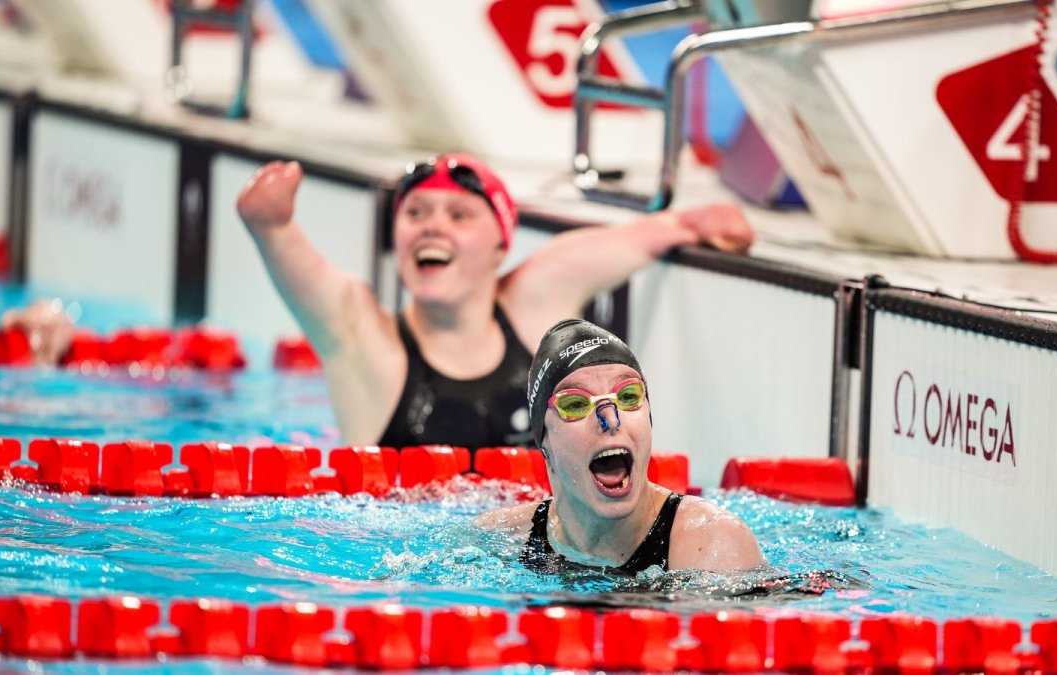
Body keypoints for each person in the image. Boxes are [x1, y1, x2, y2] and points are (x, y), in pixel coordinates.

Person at [234, 153, 755, 448]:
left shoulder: (533, 303)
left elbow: (651, 235)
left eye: (459, 216)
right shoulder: (368, 345)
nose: (432, 226)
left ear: (501, 245)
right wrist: (268, 222)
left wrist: (693, 224)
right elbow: (285, 245)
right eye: (415, 214)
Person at [475, 318, 765, 573]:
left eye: (627, 396)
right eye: (575, 404)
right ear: (543, 441)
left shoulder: (713, 547)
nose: (610, 420)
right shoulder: (499, 540)